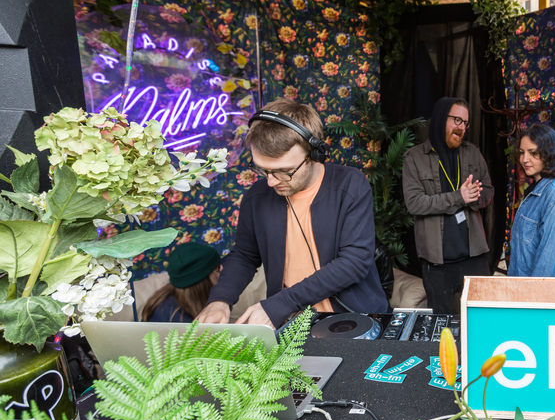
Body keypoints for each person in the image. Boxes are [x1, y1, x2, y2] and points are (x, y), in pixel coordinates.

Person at [196, 99, 389, 328]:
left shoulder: (350, 185)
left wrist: (280, 303)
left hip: (355, 320)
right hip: (290, 323)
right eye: (263, 170)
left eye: (284, 171)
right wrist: (220, 299)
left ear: (314, 154)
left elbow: (354, 262)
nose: (271, 181)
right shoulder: (256, 198)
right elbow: (245, 255)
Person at [403, 97, 494, 313]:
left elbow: (489, 191)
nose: (461, 127)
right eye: (456, 120)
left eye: (465, 123)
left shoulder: (473, 152)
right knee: (440, 328)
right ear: (442, 119)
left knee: (482, 320)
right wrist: (459, 198)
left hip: (475, 258)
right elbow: (414, 204)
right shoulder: (414, 158)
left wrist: (476, 196)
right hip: (437, 263)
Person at [508, 124, 555, 278]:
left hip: (539, 296)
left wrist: (534, 300)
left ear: (549, 154)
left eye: (533, 153)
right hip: (524, 293)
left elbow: (550, 268)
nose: (525, 159)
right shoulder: (538, 189)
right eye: (522, 152)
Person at [142, 242, 221, 323]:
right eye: (217, 268)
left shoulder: (192, 301)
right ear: (203, 280)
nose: (222, 270)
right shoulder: (172, 315)